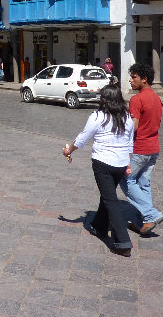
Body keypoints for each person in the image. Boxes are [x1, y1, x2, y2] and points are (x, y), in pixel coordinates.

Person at [63, 85, 135, 256]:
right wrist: (129, 164)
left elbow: (82, 138)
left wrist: (68, 151)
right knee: (107, 195)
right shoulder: (127, 117)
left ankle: (123, 243)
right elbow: (130, 143)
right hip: (121, 164)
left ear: (104, 99)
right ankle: (99, 226)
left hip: (103, 163)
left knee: (111, 200)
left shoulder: (97, 116)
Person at [120, 63, 163, 235]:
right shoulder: (156, 97)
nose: (130, 80)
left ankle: (151, 214)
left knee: (126, 180)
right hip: (154, 148)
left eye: (134, 77)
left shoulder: (136, 100)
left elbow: (134, 127)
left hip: (140, 148)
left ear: (144, 79)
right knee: (144, 184)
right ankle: (144, 221)